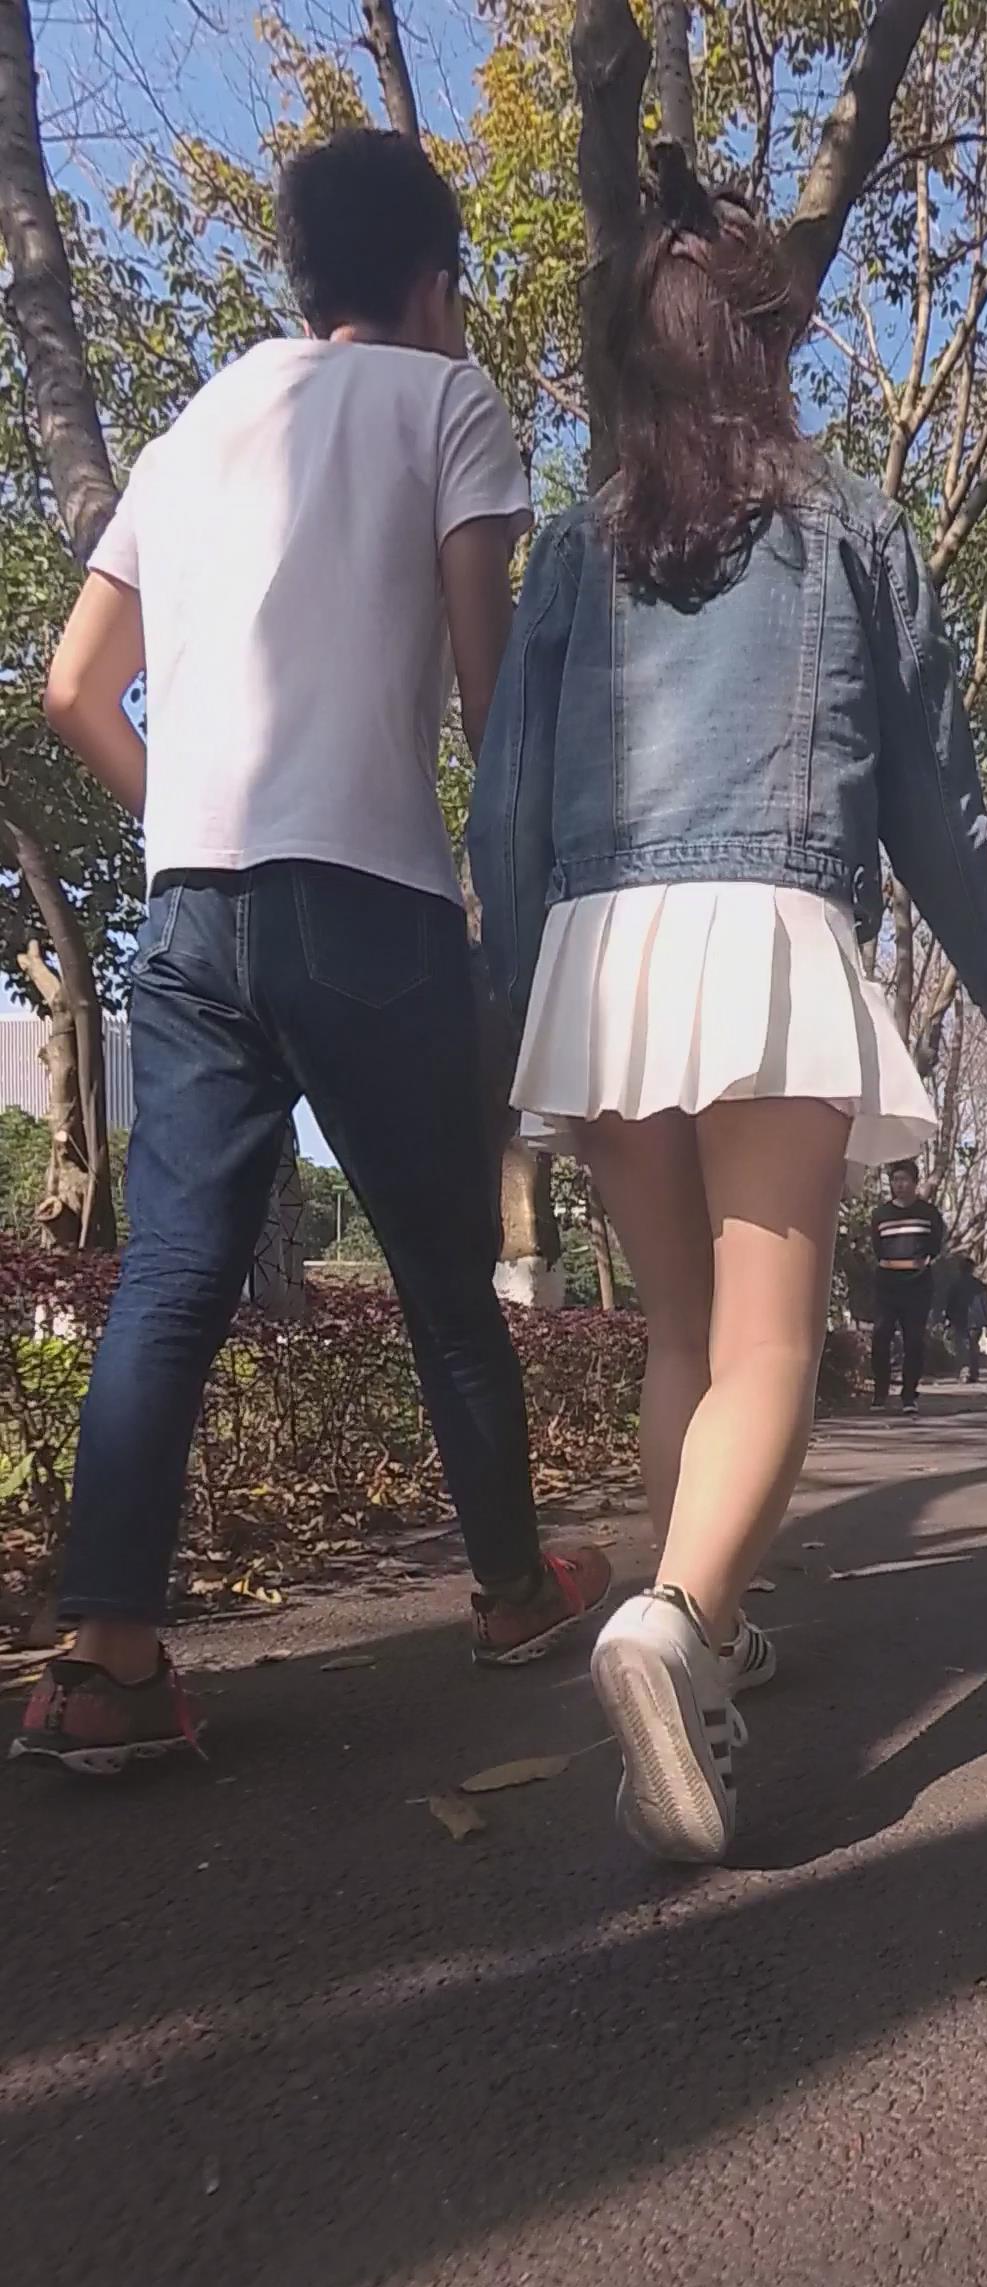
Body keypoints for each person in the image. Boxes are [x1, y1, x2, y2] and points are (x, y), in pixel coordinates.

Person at [470, 146, 987, 1868]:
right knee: (774, 1341)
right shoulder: (850, 524)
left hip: (600, 951)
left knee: (681, 1336)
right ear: (771, 343)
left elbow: (506, 795)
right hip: (769, 937)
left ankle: (701, 1620)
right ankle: (678, 1623)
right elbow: (929, 788)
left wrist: (512, 995)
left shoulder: (573, 549)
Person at [14, 128, 609, 1777]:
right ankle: (511, 1592)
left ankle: (103, 1662)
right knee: (442, 1274)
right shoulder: (447, 400)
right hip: (369, 900)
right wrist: (532, 907)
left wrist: (199, 816)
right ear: (434, 284)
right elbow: (490, 698)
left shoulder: (191, 430)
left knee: (172, 1275)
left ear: (300, 276)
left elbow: (74, 690)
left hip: (191, 911)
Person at [870, 1161, 946, 1414]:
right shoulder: (880, 1215)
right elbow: (876, 1246)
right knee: (881, 1337)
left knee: (914, 1340)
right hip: (887, 1281)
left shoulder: (928, 1213)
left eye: (904, 1180)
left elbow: (936, 1243)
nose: (899, 1185)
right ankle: (880, 1393)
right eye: (895, 1180)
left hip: (918, 1282)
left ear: (915, 1183)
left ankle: (909, 1396)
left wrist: (922, 1261)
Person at [944, 1253, 987, 1383]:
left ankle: (963, 1370)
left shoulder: (955, 1285)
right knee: (973, 1346)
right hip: (977, 1321)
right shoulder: (980, 1285)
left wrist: (948, 1317)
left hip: (960, 1319)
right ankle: (974, 1372)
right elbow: (986, 1304)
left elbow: (950, 1303)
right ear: (972, 1269)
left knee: (961, 1346)